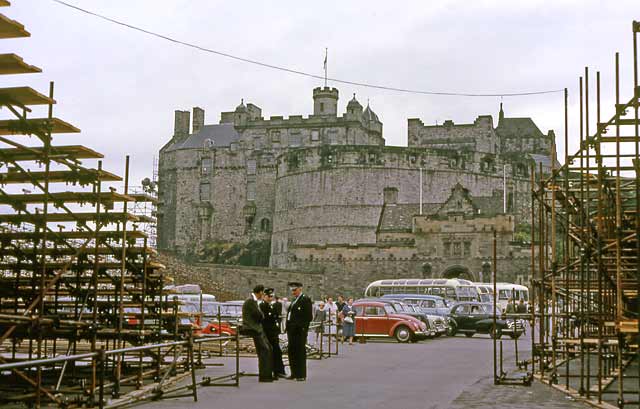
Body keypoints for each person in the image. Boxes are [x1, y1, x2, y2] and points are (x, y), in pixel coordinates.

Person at [241, 285, 273, 382]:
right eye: (263, 293)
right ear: (259, 292)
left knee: (267, 349)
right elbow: (259, 315)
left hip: (257, 328)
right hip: (254, 328)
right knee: (265, 351)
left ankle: (267, 374)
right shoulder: (251, 301)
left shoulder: (253, 301)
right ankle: (265, 376)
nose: (263, 295)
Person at [286, 281, 313, 381]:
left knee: (300, 352)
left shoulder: (305, 299)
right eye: (292, 290)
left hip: (299, 331)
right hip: (291, 331)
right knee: (292, 352)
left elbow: (308, 316)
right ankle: (294, 372)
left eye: (295, 290)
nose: (293, 292)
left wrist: (302, 328)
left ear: (300, 289)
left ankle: (301, 374)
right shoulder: (295, 300)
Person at [260, 288, 287, 379]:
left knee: (277, 352)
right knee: (271, 352)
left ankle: (279, 371)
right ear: (264, 296)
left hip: (273, 332)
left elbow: (276, 317)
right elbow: (265, 320)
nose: (271, 298)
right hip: (268, 332)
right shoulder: (262, 306)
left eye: (272, 296)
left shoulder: (271, 306)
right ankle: (272, 371)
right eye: (269, 296)